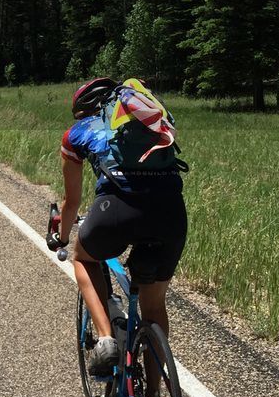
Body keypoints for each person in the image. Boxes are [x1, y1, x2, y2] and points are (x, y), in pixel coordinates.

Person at [56, 77, 187, 378]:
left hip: (115, 210)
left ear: (83, 110)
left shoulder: (77, 133)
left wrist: (60, 237)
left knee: (83, 259)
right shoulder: (149, 125)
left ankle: (105, 340)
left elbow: (70, 202)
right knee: (153, 308)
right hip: (171, 210)